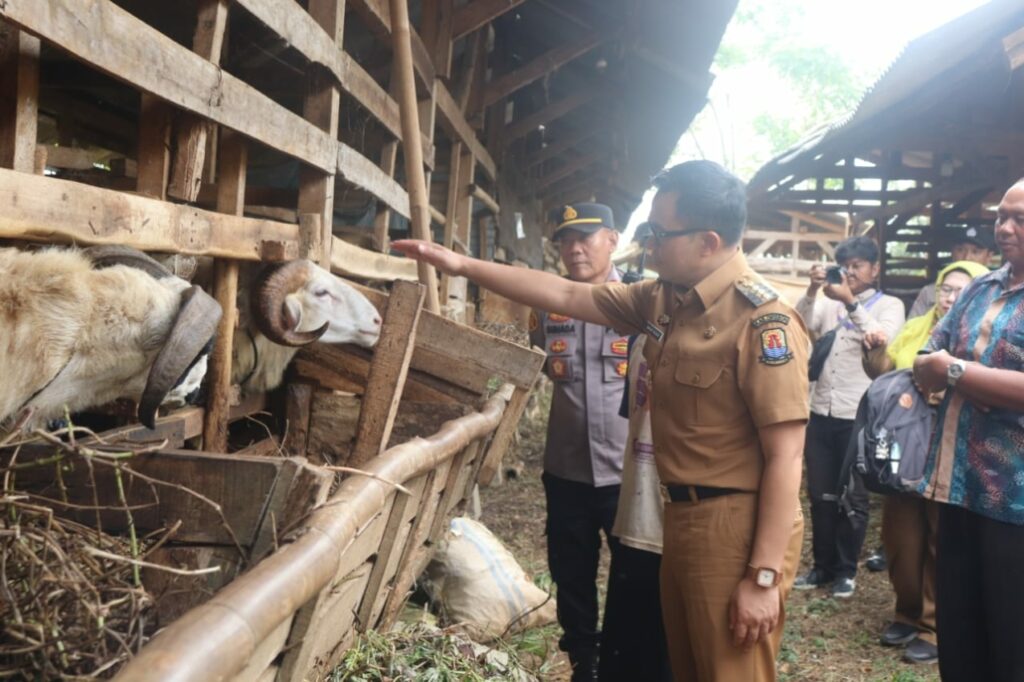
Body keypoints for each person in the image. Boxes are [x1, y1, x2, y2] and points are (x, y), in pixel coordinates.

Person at [394, 160, 809, 682]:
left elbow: (787, 456)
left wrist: (764, 577)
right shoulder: (664, 300)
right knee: (685, 667)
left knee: (730, 670)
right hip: (677, 517)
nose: (650, 245)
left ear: (708, 241)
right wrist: (458, 264)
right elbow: (566, 295)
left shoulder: (763, 322)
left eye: (660, 234)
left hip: (733, 524)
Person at [913, 180, 1024, 681]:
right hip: (957, 488)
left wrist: (956, 372)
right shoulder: (980, 287)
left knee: (1011, 641)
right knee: (960, 638)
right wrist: (945, 368)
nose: (1004, 228)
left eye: (1019, 219)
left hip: (1014, 506)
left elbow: (942, 365)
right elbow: (924, 356)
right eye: (1001, 216)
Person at [860, 260, 989, 665]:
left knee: (940, 540)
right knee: (901, 538)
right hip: (903, 450)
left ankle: (933, 627)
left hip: (950, 450)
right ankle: (906, 611)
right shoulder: (917, 330)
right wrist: (877, 351)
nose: (950, 297)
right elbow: (882, 374)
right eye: (945, 289)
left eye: (960, 290)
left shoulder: (981, 337)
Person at [527, 202, 629, 681]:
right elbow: (535, 363)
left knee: (632, 577)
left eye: (585, 237)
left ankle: (623, 662)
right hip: (566, 469)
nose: (574, 248)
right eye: (565, 240)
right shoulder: (547, 304)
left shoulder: (641, 299)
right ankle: (583, 665)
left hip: (628, 473)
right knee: (571, 575)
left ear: (612, 238)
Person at [794, 237, 905, 598]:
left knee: (853, 497)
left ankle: (845, 571)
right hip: (820, 408)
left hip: (858, 413)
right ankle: (821, 567)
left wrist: (851, 302)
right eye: (846, 265)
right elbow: (800, 324)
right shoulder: (828, 303)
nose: (852, 272)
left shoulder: (891, 305)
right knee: (820, 494)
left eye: (859, 265)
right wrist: (813, 289)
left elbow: (881, 339)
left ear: (875, 269)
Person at [598, 331, 672, 682]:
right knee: (625, 655)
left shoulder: (722, 333)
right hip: (636, 520)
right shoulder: (641, 338)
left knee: (670, 656)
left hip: (686, 529)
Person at [907, 226, 993, 318]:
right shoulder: (929, 293)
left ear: (989, 257)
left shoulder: (998, 295)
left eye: (975, 252)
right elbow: (910, 328)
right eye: (960, 250)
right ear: (952, 252)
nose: (967, 257)